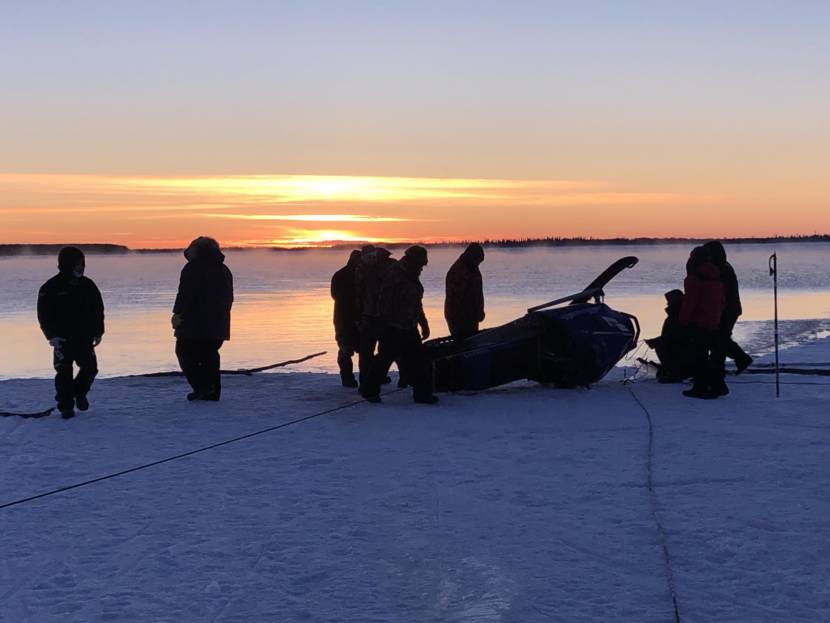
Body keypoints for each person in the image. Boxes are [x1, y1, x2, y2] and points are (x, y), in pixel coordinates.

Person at [360, 245, 438, 404]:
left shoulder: (412, 274)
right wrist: (386, 324)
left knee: (419, 360)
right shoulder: (395, 274)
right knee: (384, 360)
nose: (422, 268)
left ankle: (422, 394)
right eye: (420, 264)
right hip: (393, 327)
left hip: (409, 325)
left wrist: (423, 322)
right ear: (412, 260)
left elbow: (416, 302)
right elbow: (384, 303)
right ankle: (369, 390)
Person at [37, 246, 105, 419]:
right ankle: (66, 406)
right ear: (68, 265)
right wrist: (51, 336)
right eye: (77, 264)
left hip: (85, 337)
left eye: (82, 264)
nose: (81, 267)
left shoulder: (87, 285)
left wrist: (98, 332)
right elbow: (43, 314)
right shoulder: (50, 287)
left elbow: (98, 309)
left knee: (90, 368)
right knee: (63, 372)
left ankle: (78, 393)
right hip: (62, 338)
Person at [172, 237, 234, 401]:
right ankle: (212, 391)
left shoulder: (193, 268)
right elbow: (229, 298)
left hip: (194, 324)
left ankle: (203, 388)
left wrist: (178, 313)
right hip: (218, 324)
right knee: (209, 356)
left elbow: (185, 294)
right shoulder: (224, 269)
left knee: (185, 353)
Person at [679, 246, 727, 399]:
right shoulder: (716, 275)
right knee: (709, 356)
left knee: (699, 357)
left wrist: (683, 321)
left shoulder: (694, 278)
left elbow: (690, 302)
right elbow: (722, 300)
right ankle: (716, 385)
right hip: (713, 320)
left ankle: (705, 387)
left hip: (698, 322)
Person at [702, 240, 753, 374]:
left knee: (720, 339)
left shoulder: (720, 269)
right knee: (721, 338)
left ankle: (718, 368)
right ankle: (740, 359)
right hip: (728, 309)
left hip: (727, 310)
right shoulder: (723, 267)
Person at [354, 244, 394, 384]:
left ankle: (378, 377)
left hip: (383, 317)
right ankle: (365, 381)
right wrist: (359, 317)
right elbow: (358, 297)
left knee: (385, 350)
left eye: (373, 257)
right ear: (363, 258)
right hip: (368, 317)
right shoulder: (360, 271)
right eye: (368, 257)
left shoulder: (385, 268)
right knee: (366, 353)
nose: (371, 259)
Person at [645, 289, 695, 382]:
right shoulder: (679, 314)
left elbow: (675, 337)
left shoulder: (678, 315)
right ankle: (672, 369)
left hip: (686, 350)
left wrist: (655, 341)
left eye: (669, 301)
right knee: (661, 344)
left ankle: (675, 373)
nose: (667, 304)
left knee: (661, 345)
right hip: (685, 349)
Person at [331, 250, 362, 387]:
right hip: (344, 318)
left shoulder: (361, 275)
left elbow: (334, 295)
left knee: (361, 349)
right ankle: (347, 379)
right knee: (346, 349)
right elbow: (336, 296)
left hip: (350, 318)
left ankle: (358, 378)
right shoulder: (342, 275)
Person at [445, 242, 486, 339]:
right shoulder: (459, 271)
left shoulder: (473, 268)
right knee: (464, 342)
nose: (478, 263)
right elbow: (456, 300)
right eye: (478, 260)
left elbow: (477, 293)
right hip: (460, 319)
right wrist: (471, 315)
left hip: (471, 317)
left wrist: (479, 311)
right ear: (472, 257)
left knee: (472, 341)